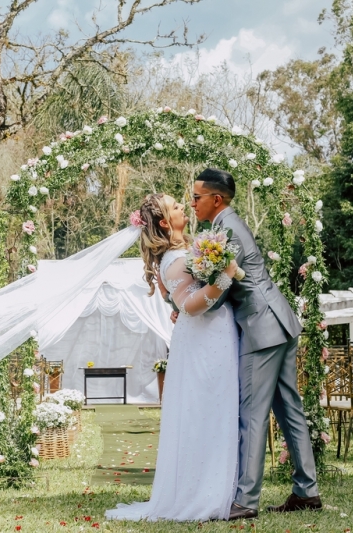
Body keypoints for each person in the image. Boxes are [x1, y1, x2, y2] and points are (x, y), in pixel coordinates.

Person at [191, 168, 321, 520]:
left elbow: (223, 284)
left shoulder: (226, 228)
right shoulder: (225, 225)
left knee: (252, 414)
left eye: (197, 197)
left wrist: (194, 306)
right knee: (289, 409)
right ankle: (307, 491)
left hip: (262, 328)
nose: (192, 204)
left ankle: (246, 500)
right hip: (279, 321)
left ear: (216, 199)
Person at [105, 193, 241, 522]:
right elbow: (191, 305)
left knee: (210, 410)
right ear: (166, 222)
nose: (184, 206)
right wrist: (227, 274)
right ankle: (205, 494)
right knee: (208, 412)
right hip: (206, 342)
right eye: (177, 206)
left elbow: (174, 302)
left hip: (207, 338)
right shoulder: (177, 260)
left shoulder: (180, 254)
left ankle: (215, 486)